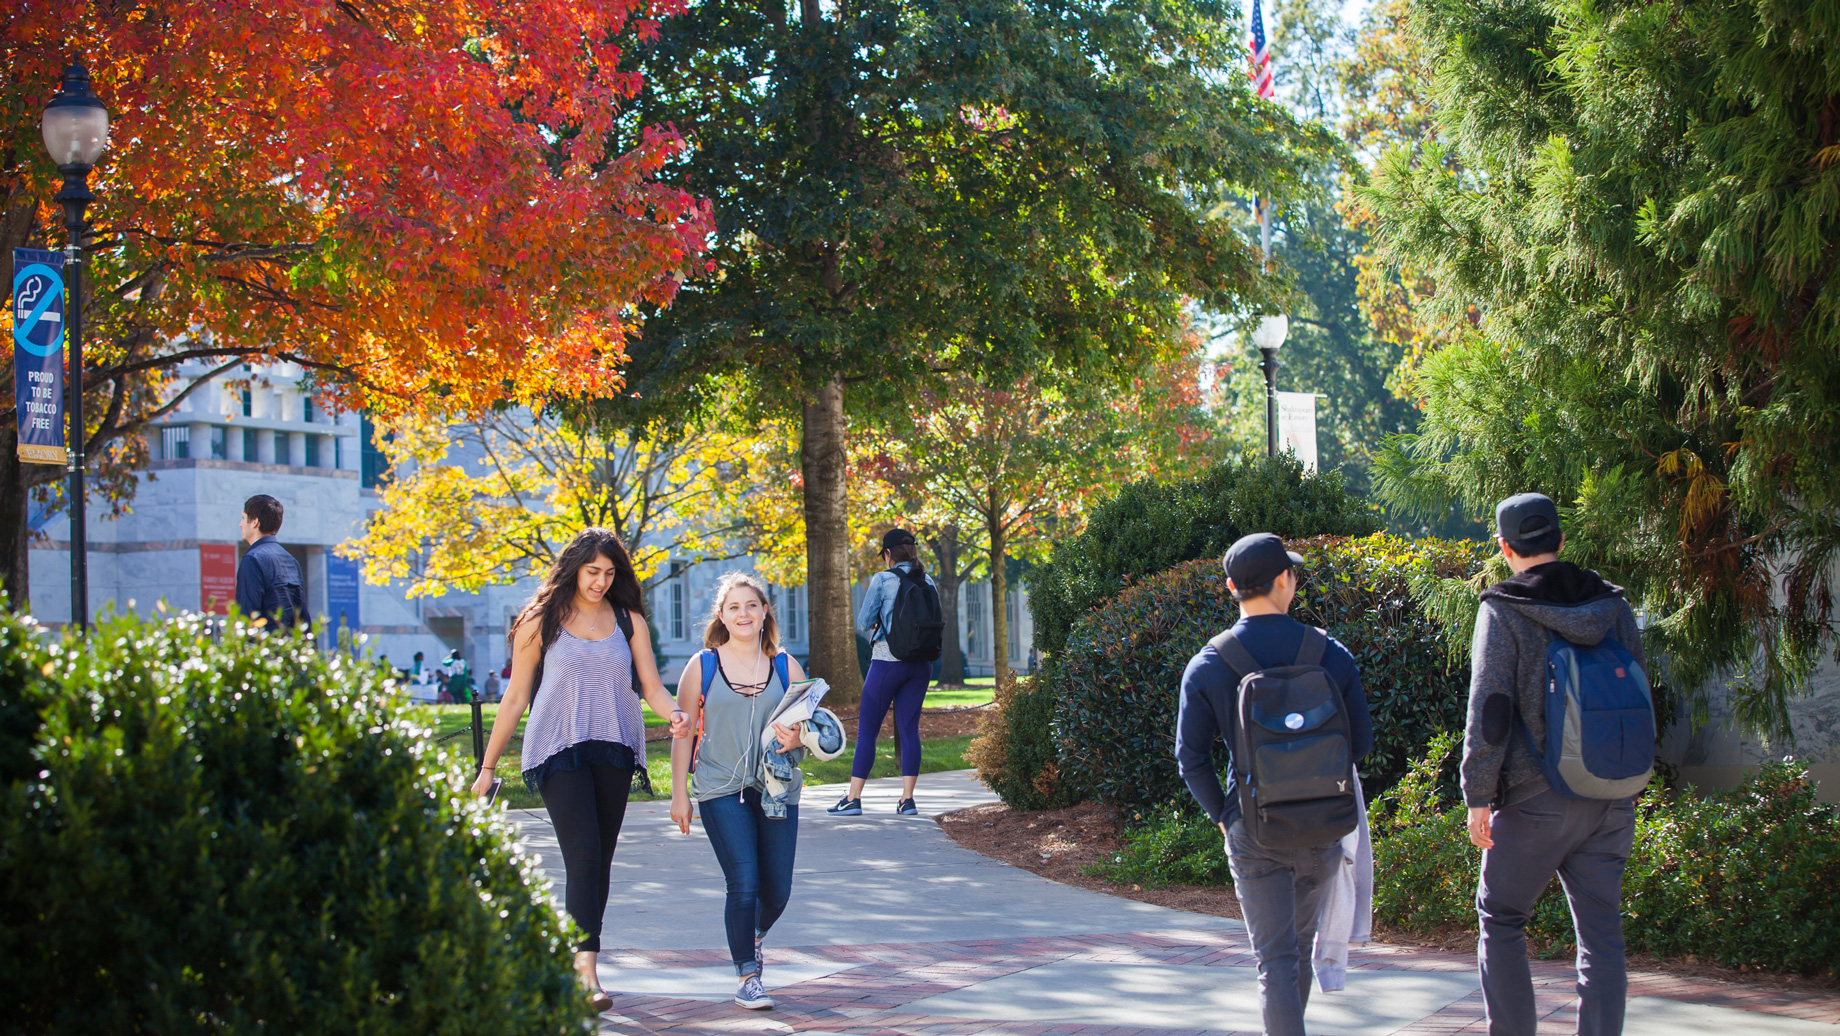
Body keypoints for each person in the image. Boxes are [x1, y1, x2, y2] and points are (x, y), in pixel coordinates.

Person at [470, 528, 690, 1013]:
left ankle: (580, 956)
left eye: (610, 573)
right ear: (573, 568)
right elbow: (515, 698)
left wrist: (673, 712)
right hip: (556, 747)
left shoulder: (628, 619)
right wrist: (488, 766)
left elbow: (651, 686)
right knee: (585, 855)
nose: (600, 581)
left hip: (613, 746)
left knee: (599, 861)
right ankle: (584, 971)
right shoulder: (540, 619)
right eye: (593, 572)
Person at [1175, 533, 1373, 1036]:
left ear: (1230, 588)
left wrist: (1224, 814)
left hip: (1254, 829)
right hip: (1324, 826)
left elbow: (1190, 758)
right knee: (1297, 953)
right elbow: (1361, 744)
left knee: (1276, 961)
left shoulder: (1210, 663)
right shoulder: (1329, 653)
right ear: (1286, 579)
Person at [1464, 493, 1646, 1036]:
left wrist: (1478, 794)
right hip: (1611, 793)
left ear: (1503, 547)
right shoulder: (1612, 604)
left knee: (1501, 918)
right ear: (1562, 541)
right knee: (1602, 937)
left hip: (1535, 795)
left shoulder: (1503, 608)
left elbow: (1490, 711)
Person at [670, 572, 810, 1011]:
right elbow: (682, 734)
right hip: (719, 788)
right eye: (734, 607)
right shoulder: (703, 665)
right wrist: (679, 795)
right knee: (744, 882)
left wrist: (798, 738)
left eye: (751, 605)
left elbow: (810, 729)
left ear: (765, 610)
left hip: (776, 790)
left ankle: (752, 934)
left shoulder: (787, 667)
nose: (743, 613)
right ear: (722, 616)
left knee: (778, 892)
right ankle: (748, 976)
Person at [828, 528, 938, 817]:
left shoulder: (883, 579)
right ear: (913, 552)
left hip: (888, 663)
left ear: (888, 554)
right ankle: (907, 800)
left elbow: (864, 622)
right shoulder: (929, 580)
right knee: (909, 729)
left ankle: (853, 799)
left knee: (867, 731)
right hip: (922, 664)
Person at [234, 494, 307, 628]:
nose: (240, 524)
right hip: (291, 646)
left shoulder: (252, 560)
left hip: (265, 647)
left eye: (243, 518)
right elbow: (302, 617)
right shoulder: (291, 560)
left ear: (254, 522)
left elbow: (247, 616)